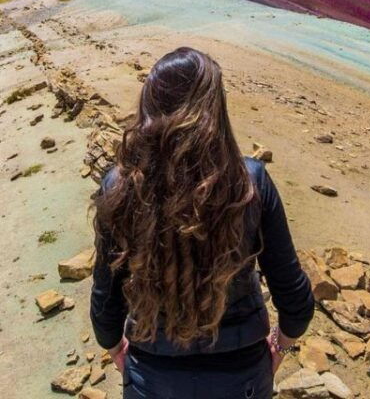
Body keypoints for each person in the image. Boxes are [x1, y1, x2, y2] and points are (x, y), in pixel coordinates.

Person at [90, 47, 314, 398]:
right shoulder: (249, 182)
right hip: (243, 378)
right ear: (215, 110)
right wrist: (280, 349)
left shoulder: (119, 187)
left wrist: (116, 349)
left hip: (152, 376)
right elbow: (295, 299)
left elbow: (106, 301)